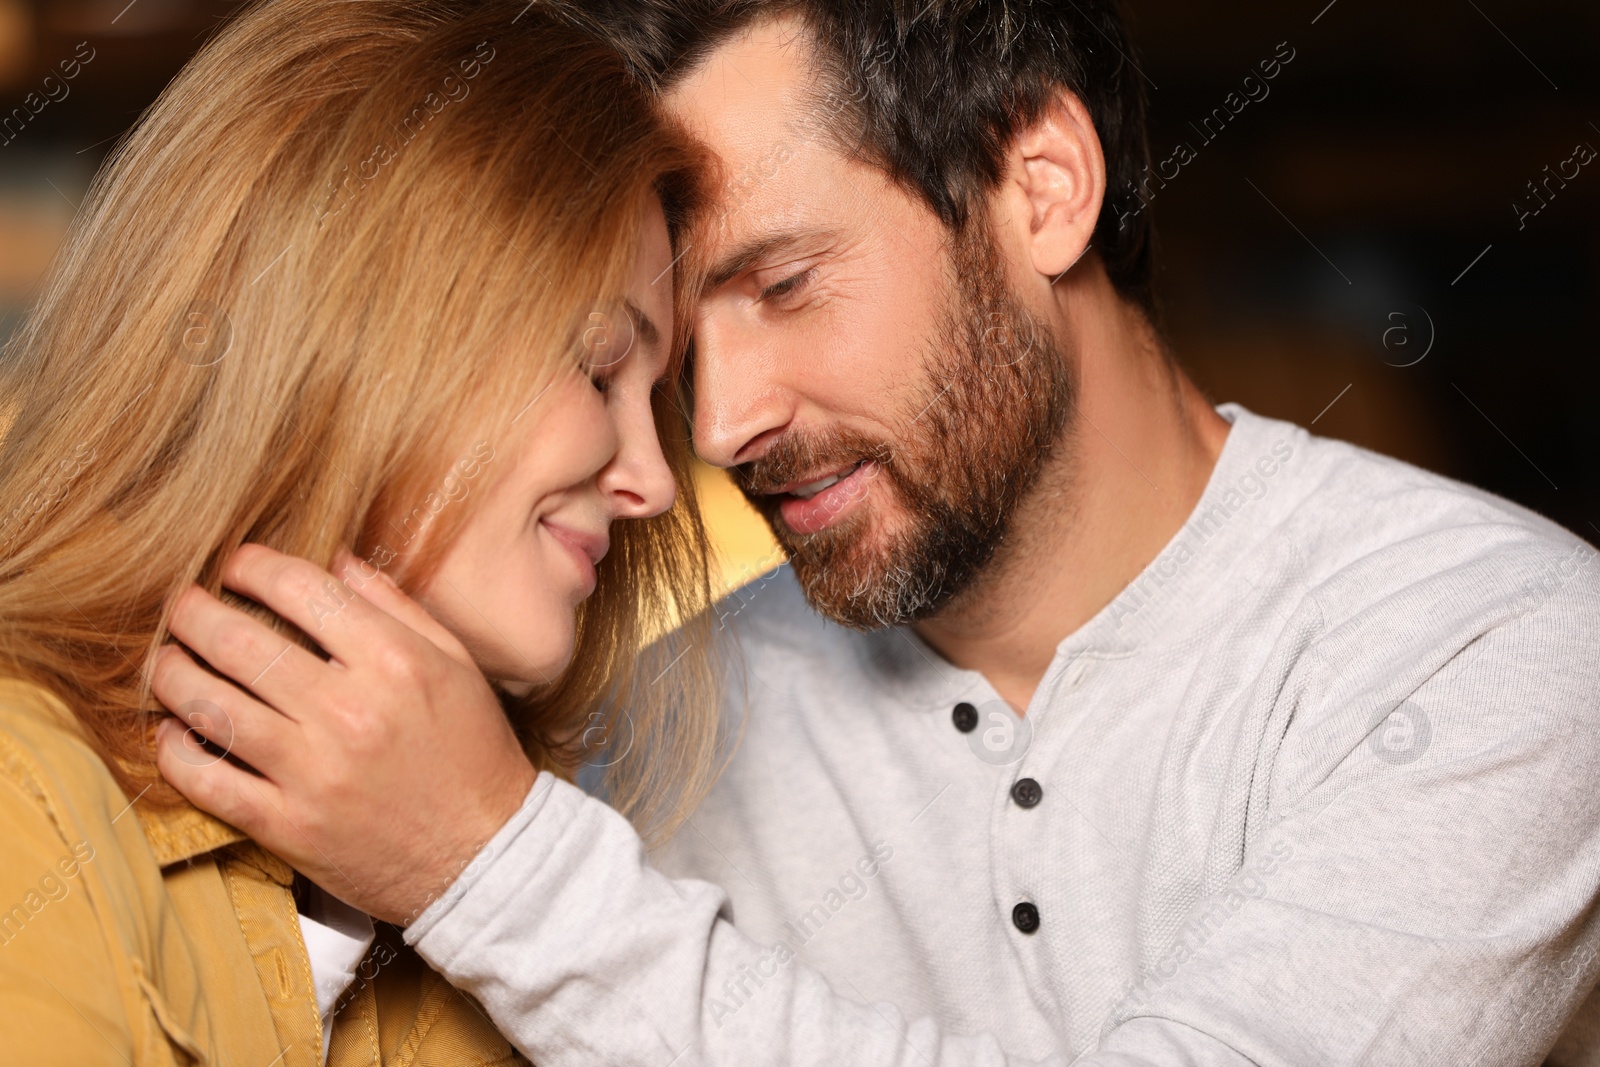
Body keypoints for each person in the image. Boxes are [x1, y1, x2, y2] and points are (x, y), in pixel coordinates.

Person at [155, 0, 1600, 1064]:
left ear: (1043, 188)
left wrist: (500, 869)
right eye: (664, 351)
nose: (717, 425)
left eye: (782, 285)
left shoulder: (1495, 643)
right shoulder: (639, 729)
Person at [0, 0, 723, 1063]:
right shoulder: (30, 805)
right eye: (600, 363)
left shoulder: (467, 899)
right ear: (365, 340)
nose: (656, 482)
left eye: (651, 394)